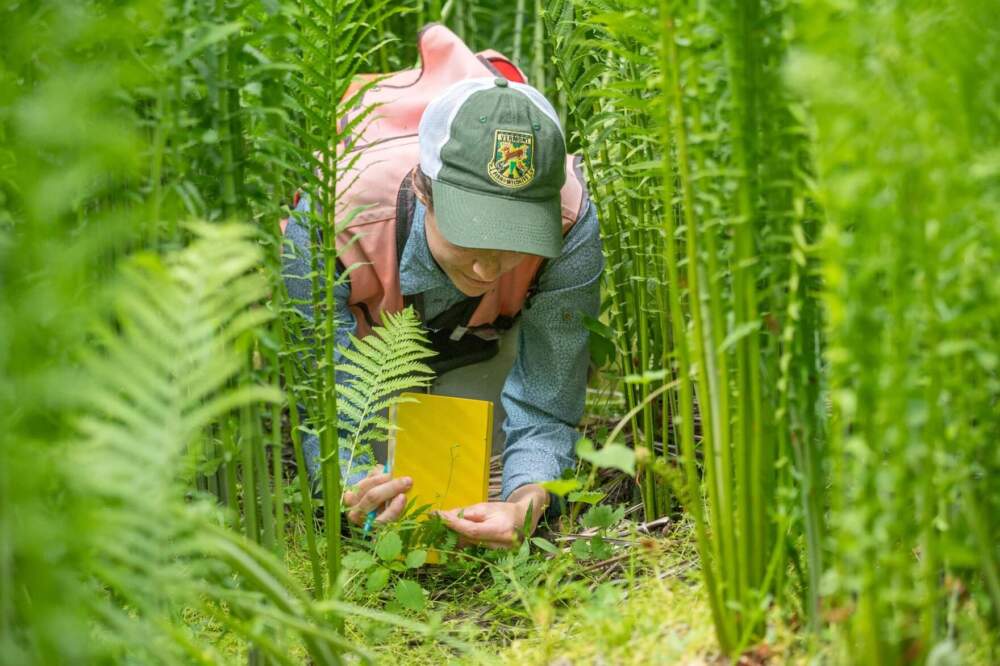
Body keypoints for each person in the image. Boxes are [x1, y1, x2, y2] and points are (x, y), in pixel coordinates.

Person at [282, 76, 603, 548]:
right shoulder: (332, 217)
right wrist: (350, 482)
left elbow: (546, 403)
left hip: (488, 340)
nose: (486, 267)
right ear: (422, 188)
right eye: (469, 233)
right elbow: (327, 401)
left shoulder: (571, 222)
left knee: (480, 473)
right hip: (368, 356)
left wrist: (526, 503)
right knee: (386, 482)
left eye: (515, 241)